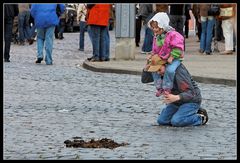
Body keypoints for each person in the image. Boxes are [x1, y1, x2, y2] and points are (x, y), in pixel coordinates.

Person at [145, 55, 208, 127]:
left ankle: (200, 117)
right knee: (162, 121)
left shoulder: (178, 71)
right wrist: (146, 67)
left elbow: (191, 93)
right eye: (156, 71)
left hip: (191, 100)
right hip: (176, 102)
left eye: (159, 70)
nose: (158, 73)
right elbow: (145, 80)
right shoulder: (161, 72)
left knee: (176, 121)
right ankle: (182, 112)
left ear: (165, 65)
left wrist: (177, 97)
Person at [147, 12, 184, 97]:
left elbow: (178, 47)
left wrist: (172, 57)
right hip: (162, 57)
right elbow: (155, 48)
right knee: (153, 69)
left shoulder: (173, 35)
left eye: (156, 27)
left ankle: (167, 88)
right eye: (153, 27)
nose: (154, 29)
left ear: (162, 25)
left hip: (175, 58)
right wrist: (152, 54)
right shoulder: (157, 36)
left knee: (170, 70)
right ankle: (159, 87)